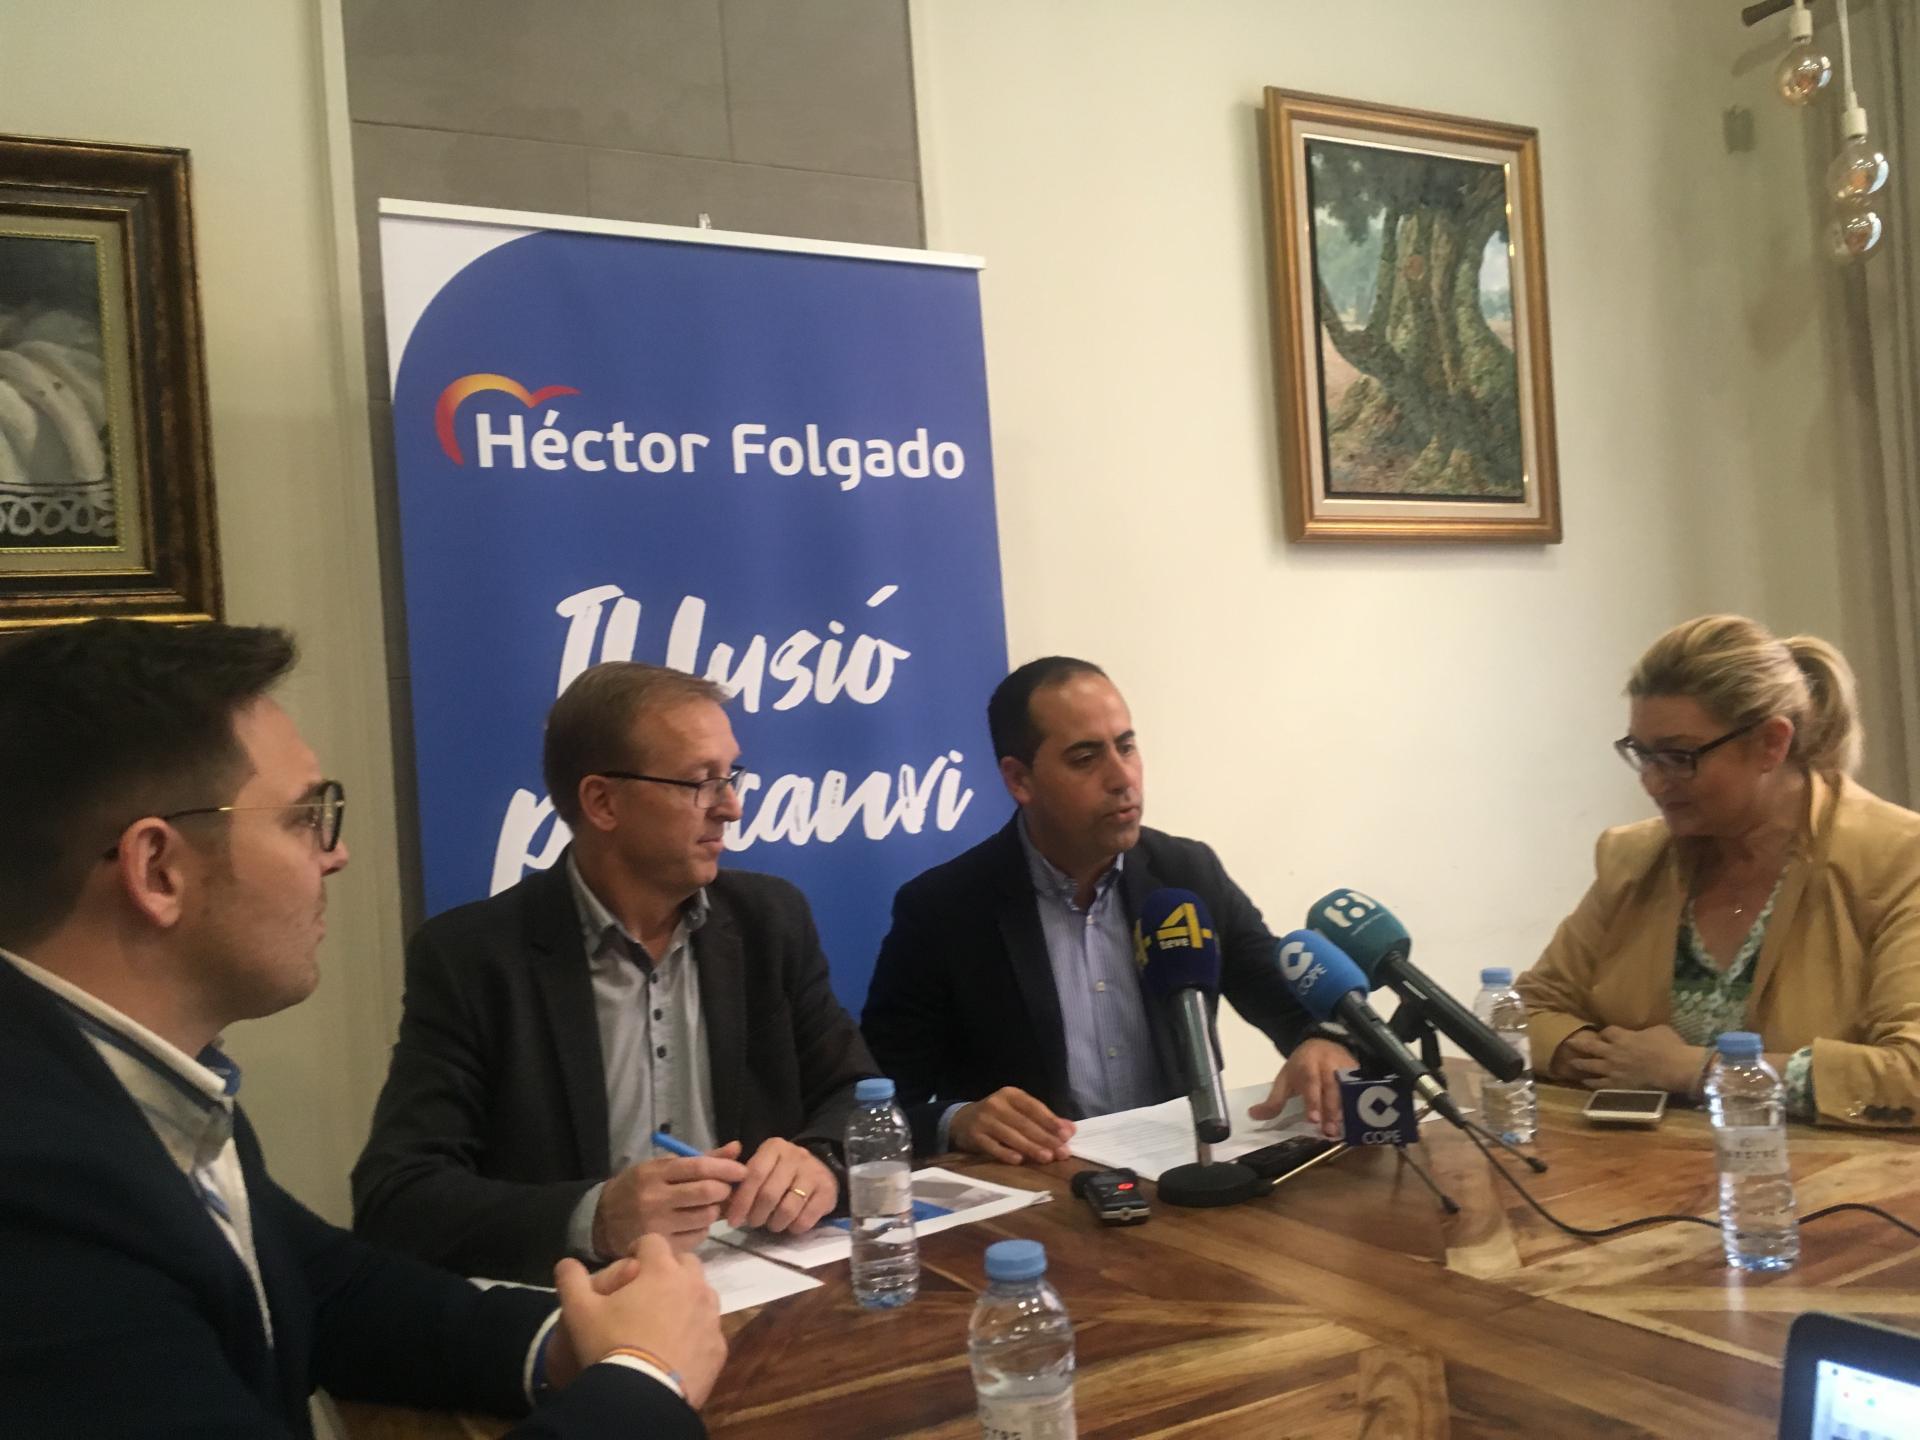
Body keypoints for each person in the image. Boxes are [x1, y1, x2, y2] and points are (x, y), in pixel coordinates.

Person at [0, 619, 725, 1437]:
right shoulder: (33, 1196)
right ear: (158, 870)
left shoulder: (146, 1088)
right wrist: (643, 1378)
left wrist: (564, 1341)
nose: (334, 855)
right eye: (304, 817)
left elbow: (322, 1288)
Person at [354, 662, 879, 1283]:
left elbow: (858, 1096)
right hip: (587, 1303)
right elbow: (397, 1197)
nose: (731, 808)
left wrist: (820, 1161)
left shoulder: (770, 921)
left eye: (731, 776)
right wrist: (594, 1217)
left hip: (764, 1289)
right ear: (602, 802)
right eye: (701, 783)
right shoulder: (473, 958)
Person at [861, 656, 1358, 1160]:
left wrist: (1319, 1041)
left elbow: (1287, 1003)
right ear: (1019, 780)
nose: (1122, 778)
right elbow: (873, 1105)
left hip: (1186, 1176)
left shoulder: (1188, 874)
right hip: (1043, 1185)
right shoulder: (944, 910)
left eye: (1126, 747)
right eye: (1085, 758)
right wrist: (958, 1120)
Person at [1519, 615, 1920, 1126]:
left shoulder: (1899, 858)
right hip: (1647, 1166)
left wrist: (1698, 1071)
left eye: (1679, 756)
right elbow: (1526, 1012)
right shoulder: (1634, 858)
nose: (1653, 783)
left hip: (1839, 1171)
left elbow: (1910, 1073)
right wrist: (1601, 1057)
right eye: (1643, 754)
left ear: (1772, 743)